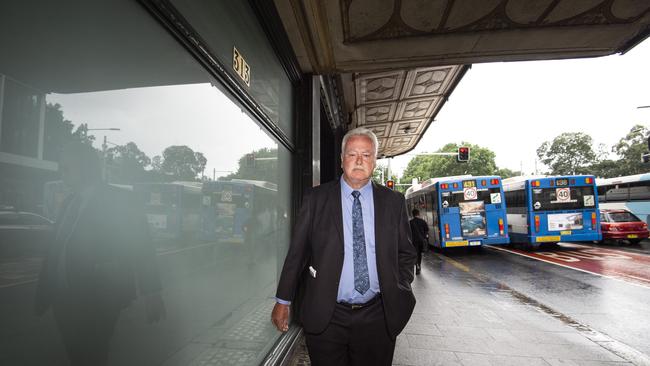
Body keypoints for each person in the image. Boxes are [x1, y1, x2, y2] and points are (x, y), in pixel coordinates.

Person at [271, 127, 416, 366]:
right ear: (341, 160)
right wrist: (283, 301)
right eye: (352, 154)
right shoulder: (316, 199)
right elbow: (297, 253)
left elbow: (406, 253)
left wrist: (398, 286)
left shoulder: (394, 202)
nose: (359, 160)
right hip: (327, 315)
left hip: (378, 316)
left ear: (375, 161)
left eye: (367, 155)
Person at [35, 142, 165, 366]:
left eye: (67, 168)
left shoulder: (120, 200)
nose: (61, 173)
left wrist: (151, 291)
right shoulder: (69, 202)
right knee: (77, 354)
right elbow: (57, 247)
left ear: (85, 167)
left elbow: (142, 246)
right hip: (62, 299)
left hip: (98, 297)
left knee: (92, 353)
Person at [409, 209, 429, 274]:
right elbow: (427, 230)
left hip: (414, 241)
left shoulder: (410, 222)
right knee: (419, 254)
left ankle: (417, 265)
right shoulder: (422, 221)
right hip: (421, 241)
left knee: (415, 254)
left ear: (413, 214)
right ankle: (418, 266)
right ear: (419, 214)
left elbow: (408, 232)